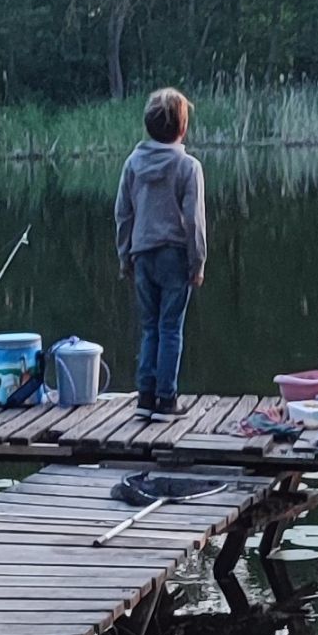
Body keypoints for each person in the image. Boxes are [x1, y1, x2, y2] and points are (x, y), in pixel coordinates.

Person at [114, 87, 206, 421]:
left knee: (150, 327)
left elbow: (123, 214)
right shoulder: (188, 166)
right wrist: (198, 262)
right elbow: (194, 221)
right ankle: (167, 400)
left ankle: (146, 397)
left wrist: (125, 256)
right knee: (170, 328)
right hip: (174, 256)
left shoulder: (132, 164)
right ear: (182, 128)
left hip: (142, 256)